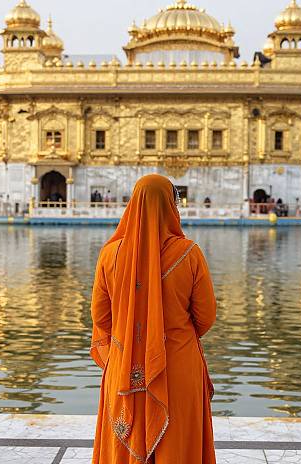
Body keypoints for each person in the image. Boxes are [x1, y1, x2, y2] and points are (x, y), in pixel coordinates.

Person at [90, 174, 217, 464]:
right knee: (178, 447)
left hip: (124, 364)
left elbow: (100, 316)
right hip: (177, 365)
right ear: (171, 208)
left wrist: (129, 333)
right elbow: (206, 317)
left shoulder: (110, 255)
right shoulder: (190, 254)